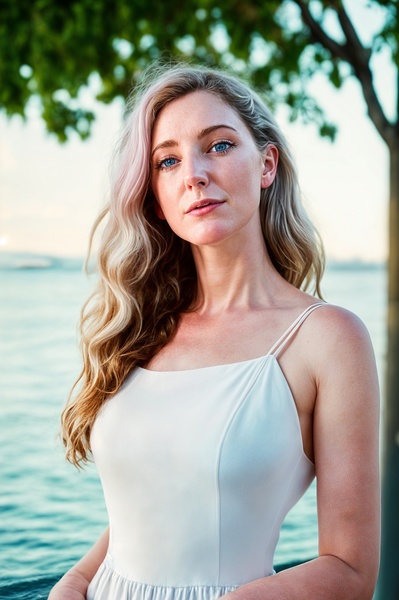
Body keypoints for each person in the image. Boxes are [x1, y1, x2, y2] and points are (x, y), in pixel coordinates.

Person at [49, 62, 380, 600]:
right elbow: (153, 508)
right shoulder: (143, 327)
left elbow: (350, 569)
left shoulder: (327, 339)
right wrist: (75, 583)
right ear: (155, 194)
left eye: (219, 146)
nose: (193, 175)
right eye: (168, 160)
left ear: (267, 163)